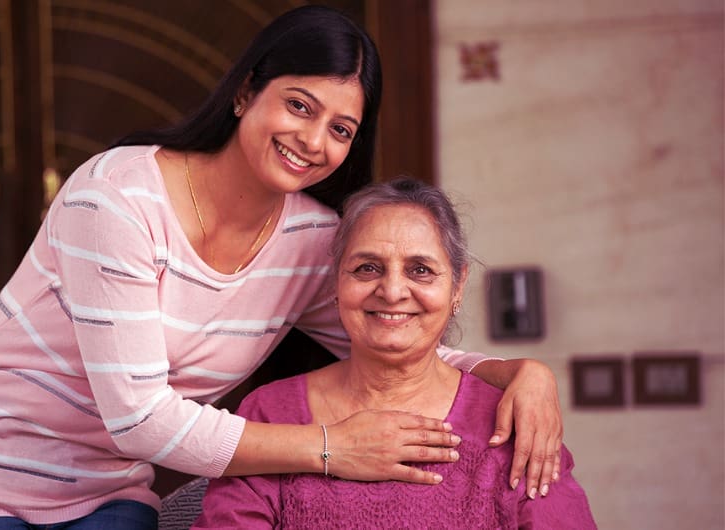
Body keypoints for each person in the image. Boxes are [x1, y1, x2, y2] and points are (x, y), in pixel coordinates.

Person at [0, 6, 562, 529]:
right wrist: (330, 447)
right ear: (245, 92)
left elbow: (394, 329)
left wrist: (520, 374)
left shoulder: (310, 242)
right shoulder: (117, 197)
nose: (313, 140)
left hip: (103, 489)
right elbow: (141, 421)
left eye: (341, 129)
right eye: (299, 105)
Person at [194, 178, 597, 529]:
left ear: (457, 286)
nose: (392, 291)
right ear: (336, 282)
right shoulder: (270, 410)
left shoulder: (513, 422)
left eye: (420, 269)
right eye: (367, 268)